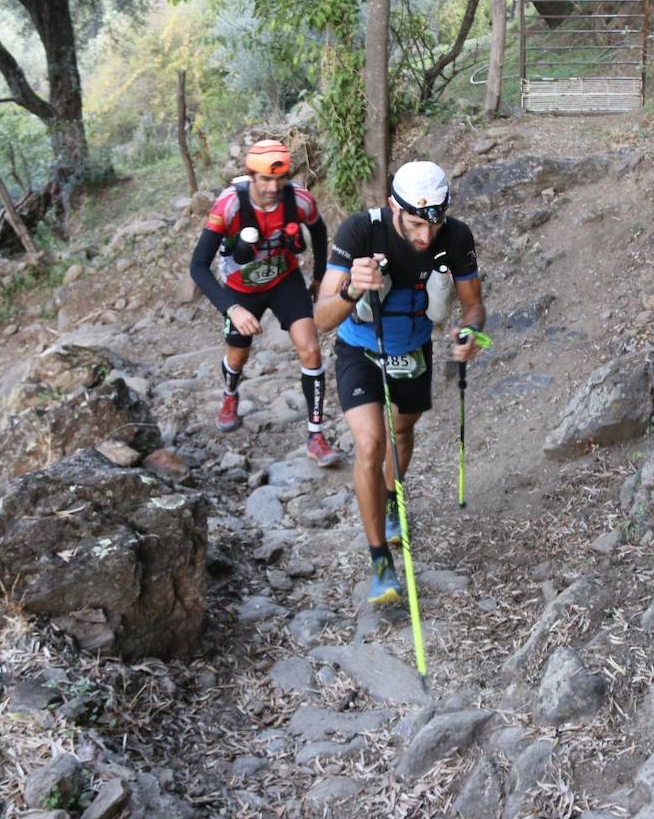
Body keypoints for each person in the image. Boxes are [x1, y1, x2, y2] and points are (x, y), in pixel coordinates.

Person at [314, 160, 486, 604]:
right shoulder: (360, 232)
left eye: (434, 224)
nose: (425, 237)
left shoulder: (455, 238)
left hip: (412, 352)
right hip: (361, 350)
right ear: (394, 207)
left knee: (402, 433)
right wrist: (352, 290)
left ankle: (393, 500)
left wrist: (471, 334)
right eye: (413, 224)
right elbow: (321, 318)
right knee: (371, 444)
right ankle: (380, 565)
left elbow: (473, 307)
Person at [187, 139, 340, 467]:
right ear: (251, 176)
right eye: (265, 180)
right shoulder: (228, 206)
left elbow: (319, 229)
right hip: (241, 289)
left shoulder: (298, 199)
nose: (273, 188)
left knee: (311, 349)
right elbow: (197, 266)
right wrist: (232, 308)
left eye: (278, 180)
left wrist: (319, 276)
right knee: (237, 354)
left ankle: (316, 436)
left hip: (285, 280)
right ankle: (230, 395)